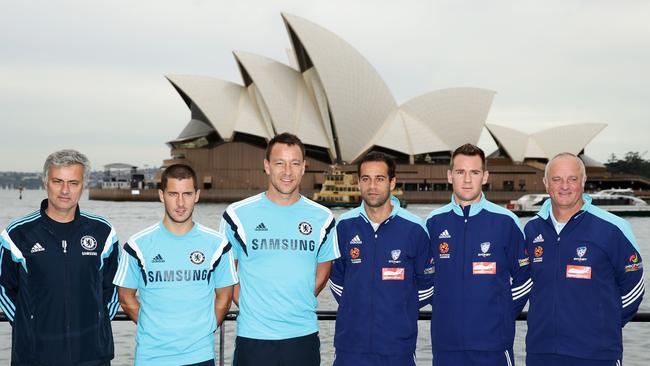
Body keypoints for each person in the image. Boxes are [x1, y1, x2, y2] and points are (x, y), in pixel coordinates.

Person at [220, 132, 340, 366]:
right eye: (279, 163)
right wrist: (253, 306)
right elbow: (227, 273)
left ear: (304, 167)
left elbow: (323, 270)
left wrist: (297, 299)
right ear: (266, 166)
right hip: (253, 337)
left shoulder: (322, 218)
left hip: (302, 336)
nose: (287, 171)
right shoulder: (236, 215)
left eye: (295, 163)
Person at [0, 149, 120, 366]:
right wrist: (27, 324)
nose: (65, 190)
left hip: (92, 356)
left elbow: (114, 285)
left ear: (83, 185)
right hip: (34, 357)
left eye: (73, 183)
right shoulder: (17, 233)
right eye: (58, 181)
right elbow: (4, 287)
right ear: (45, 182)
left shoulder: (103, 232)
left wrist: (99, 320)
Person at [524, 153, 644, 366]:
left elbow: (634, 288)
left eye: (572, 179)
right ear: (545, 183)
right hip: (541, 352)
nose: (565, 186)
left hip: (596, 354)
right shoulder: (532, 229)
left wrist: (603, 326)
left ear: (583, 181)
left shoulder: (613, 228)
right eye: (557, 179)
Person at [113, 164, 237, 366]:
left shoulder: (218, 245)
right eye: (173, 194)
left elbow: (225, 297)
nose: (180, 203)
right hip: (151, 357)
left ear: (196, 195)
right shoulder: (137, 245)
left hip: (200, 356)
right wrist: (153, 328)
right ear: (162, 195)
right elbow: (126, 298)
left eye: (187, 194)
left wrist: (204, 328)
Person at [425, 143, 530, 366]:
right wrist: (445, 307)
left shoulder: (506, 221)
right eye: (460, 172)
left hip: (493, 345)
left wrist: (501, 313)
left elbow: (526, 276)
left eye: (474, 172)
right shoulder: (433, 222)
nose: (467, 179)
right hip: (446, 345)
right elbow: (422, 276)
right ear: (449, 176)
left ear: (485, 176)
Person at [328, 152, 434, 366]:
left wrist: (401, 311)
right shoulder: (343, 227)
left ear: (392, 182)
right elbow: (337, 281)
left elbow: (428, 284)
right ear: (358, 183)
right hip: (350, 347)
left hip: (397, 349)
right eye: (366, 178)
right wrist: (356, 307)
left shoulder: (415, 228)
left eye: (380, 178)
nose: (372, 186)